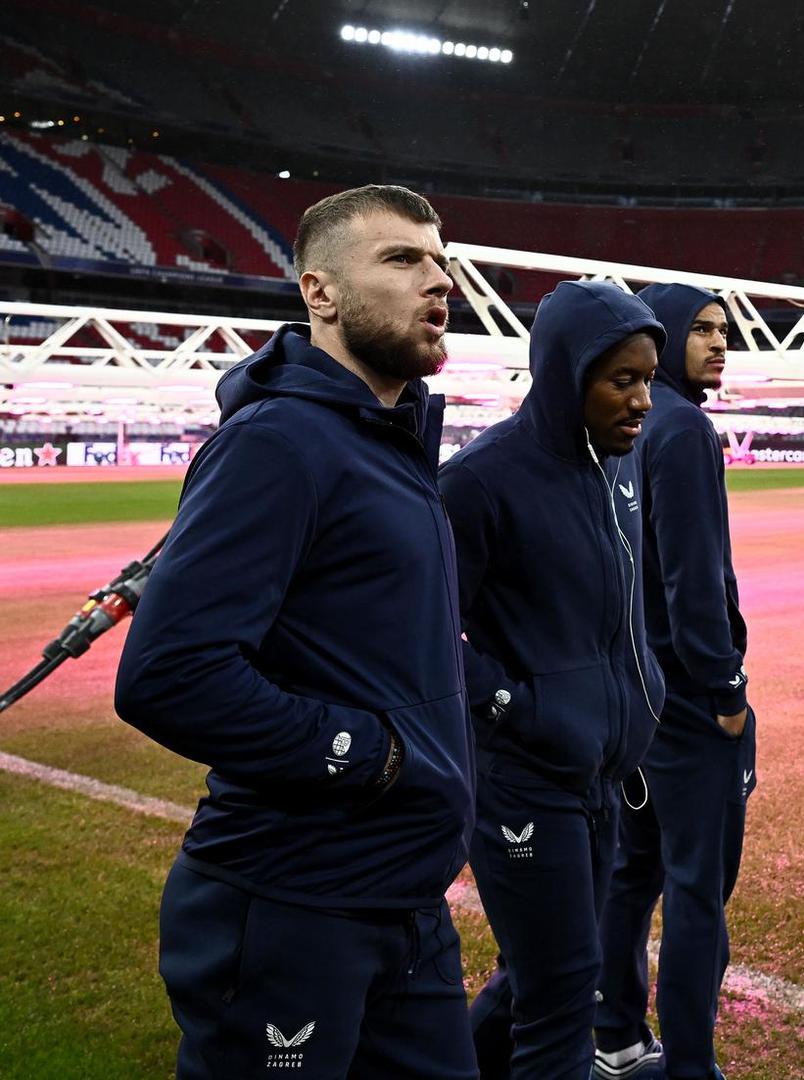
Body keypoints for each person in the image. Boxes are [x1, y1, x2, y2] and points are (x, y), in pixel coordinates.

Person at [114, 185, 476, 1079]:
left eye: (441, 260)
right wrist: (369, 755)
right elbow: (169, 673)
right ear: (319, 293)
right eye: (403, 260)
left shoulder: (388, 445)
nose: (439, 281)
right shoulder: (278, 443)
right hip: (292, 900)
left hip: (403, 900)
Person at [440, 280, 667, 1079]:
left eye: (647, 379)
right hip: (524, 781)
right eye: (622, 381)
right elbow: (427, 634)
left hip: (602, 772)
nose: (643, 401)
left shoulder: (621, 464)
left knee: (545, 974)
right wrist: (518, 704)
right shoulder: (480, 479)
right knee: (562, 999)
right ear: (568, 373)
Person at [594, 285, 756, 1080]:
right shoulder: (685, 427)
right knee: (697, 894)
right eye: (701, 329)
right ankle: (691, 1066)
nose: (719, 343)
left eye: (724, 330)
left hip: (636, 700)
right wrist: (726, 691)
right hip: (691, 706)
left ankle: (616, 1032)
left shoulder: (629, 421)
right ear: (661, 338)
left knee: (631, 874)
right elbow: (694, 579)